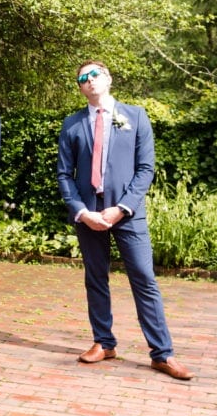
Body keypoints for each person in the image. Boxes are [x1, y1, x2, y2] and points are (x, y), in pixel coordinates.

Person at [56, 60, 194, 380]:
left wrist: (122, 208)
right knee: (95, 278)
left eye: (94, 75)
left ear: (108, 78)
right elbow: (64, 174)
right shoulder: (72, 124)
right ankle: (104, 342)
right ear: (79, 87)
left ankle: (162, 353)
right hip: (88, 214)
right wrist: (81, 210)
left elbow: (146, 169)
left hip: (127, 214)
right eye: (82, 78)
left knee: (144, 279)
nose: (88, 81)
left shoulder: (136, 116)